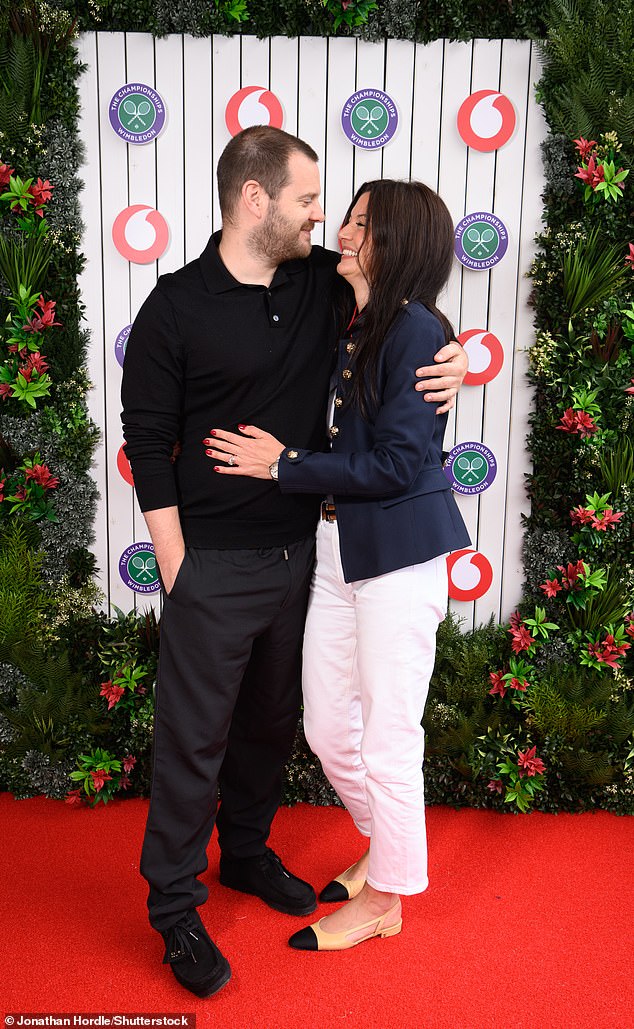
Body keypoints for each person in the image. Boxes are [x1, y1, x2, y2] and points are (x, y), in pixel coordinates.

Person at [121, 128, 468, 997]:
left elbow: (404, 306)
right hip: (210, 563)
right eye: (310, 202)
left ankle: (244, 854)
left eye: (330, 208)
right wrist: (175, 565)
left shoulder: (320, 284)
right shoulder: (174, 307)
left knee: (275, 726)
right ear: (255, 200)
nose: (324, 219)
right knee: (192, 741)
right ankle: (173, 908)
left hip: (305, 557)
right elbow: (148, 442)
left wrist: (453, 354)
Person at [203, 178, 471, 952]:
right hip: (338, 547)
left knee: (387, 737)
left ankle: (388, 894)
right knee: (327, 726)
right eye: (345, 219)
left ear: (399, 243)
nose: (342, 233)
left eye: (359, 224)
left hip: (397, 555)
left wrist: (282, 464)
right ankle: (384, 846)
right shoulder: (360, 321)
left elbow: (393, 466)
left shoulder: (417, 332)